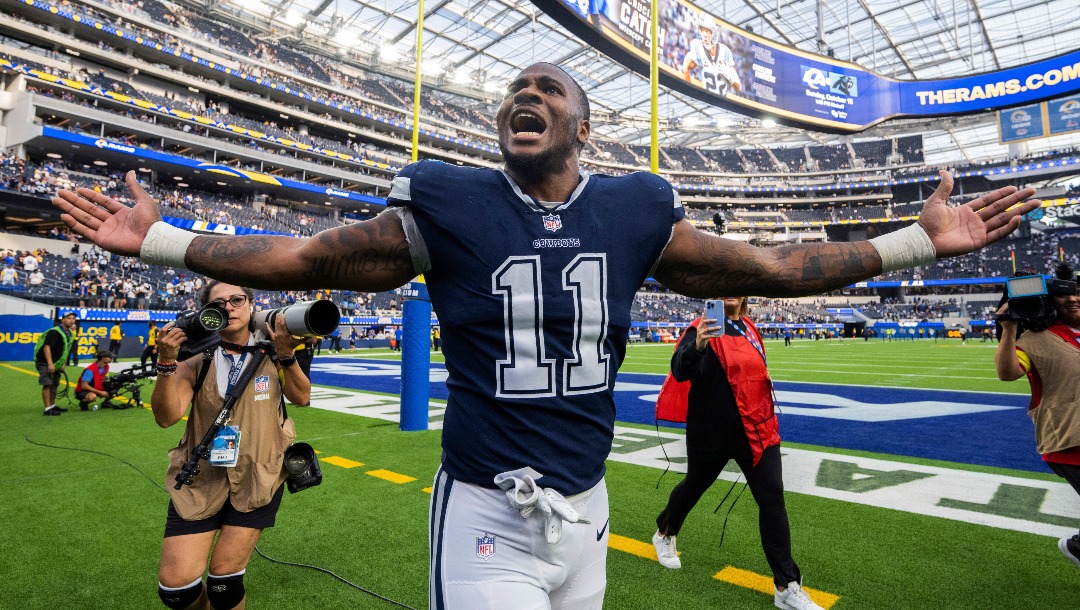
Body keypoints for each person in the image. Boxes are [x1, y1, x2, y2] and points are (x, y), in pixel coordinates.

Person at [54, 62, 1038, 609]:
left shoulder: (633, 207)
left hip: (589, 513)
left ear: (585, 130)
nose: (526, 95)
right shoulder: (450, 200)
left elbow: (773, 270)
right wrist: (170, 240)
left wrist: (914, 241)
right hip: (488, 510)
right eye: (513, 93)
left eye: (549, 90)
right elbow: (318, 253)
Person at [652, 297, 821, 610]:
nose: (731, 290)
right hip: (711, 433)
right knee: (693, 487)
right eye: (724, 284)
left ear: (745, 294)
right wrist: (698, 345)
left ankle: (786, 584)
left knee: (772, 498)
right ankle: (665, 531)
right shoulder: (702, 327)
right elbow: (679, 371)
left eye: (737, 284)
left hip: (756, 430)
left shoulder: (750, 327)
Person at [150, 281, 309, 610]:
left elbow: (302, 397)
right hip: (200, 477)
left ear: (251, 304)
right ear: (207, 312)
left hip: (259, 474)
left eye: (237, 300)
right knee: (176, 590)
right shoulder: (196, 359)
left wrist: (287, 355)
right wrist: (167, 362)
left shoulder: (278, 347)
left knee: (224, 583)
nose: (229, 308)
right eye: (219, 303)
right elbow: (167, 416)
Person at [994, 267, 1080, 571]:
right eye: (1064, 294)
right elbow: (1007, 373)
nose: (1072, 298)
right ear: (1050, 301)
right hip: (1068, 440)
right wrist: (1008, 330)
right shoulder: (1035, 339)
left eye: (1077, 292)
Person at [683, 13, 742, 96]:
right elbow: (686, 65)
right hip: (706, 99)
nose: (704, 35)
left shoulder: (725, 52)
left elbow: (739, 87)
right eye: (702, 30)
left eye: (707, 31)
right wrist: (689, 91)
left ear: (714, 32)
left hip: (722, 103)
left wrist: (728, 75)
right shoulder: (698, 48)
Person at [35, 312, 77, 416]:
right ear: (62, 320)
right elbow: (46, 347)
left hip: (57, 363)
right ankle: (47, 409)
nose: (71, 320)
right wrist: (50, 364)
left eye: (73, 318)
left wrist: (63, 364)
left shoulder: (70, 334)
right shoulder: (54, 332)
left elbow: (66, 349)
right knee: (47, 384)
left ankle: (52, 406)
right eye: (68, 318)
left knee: (55, 384)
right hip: (45, 362)